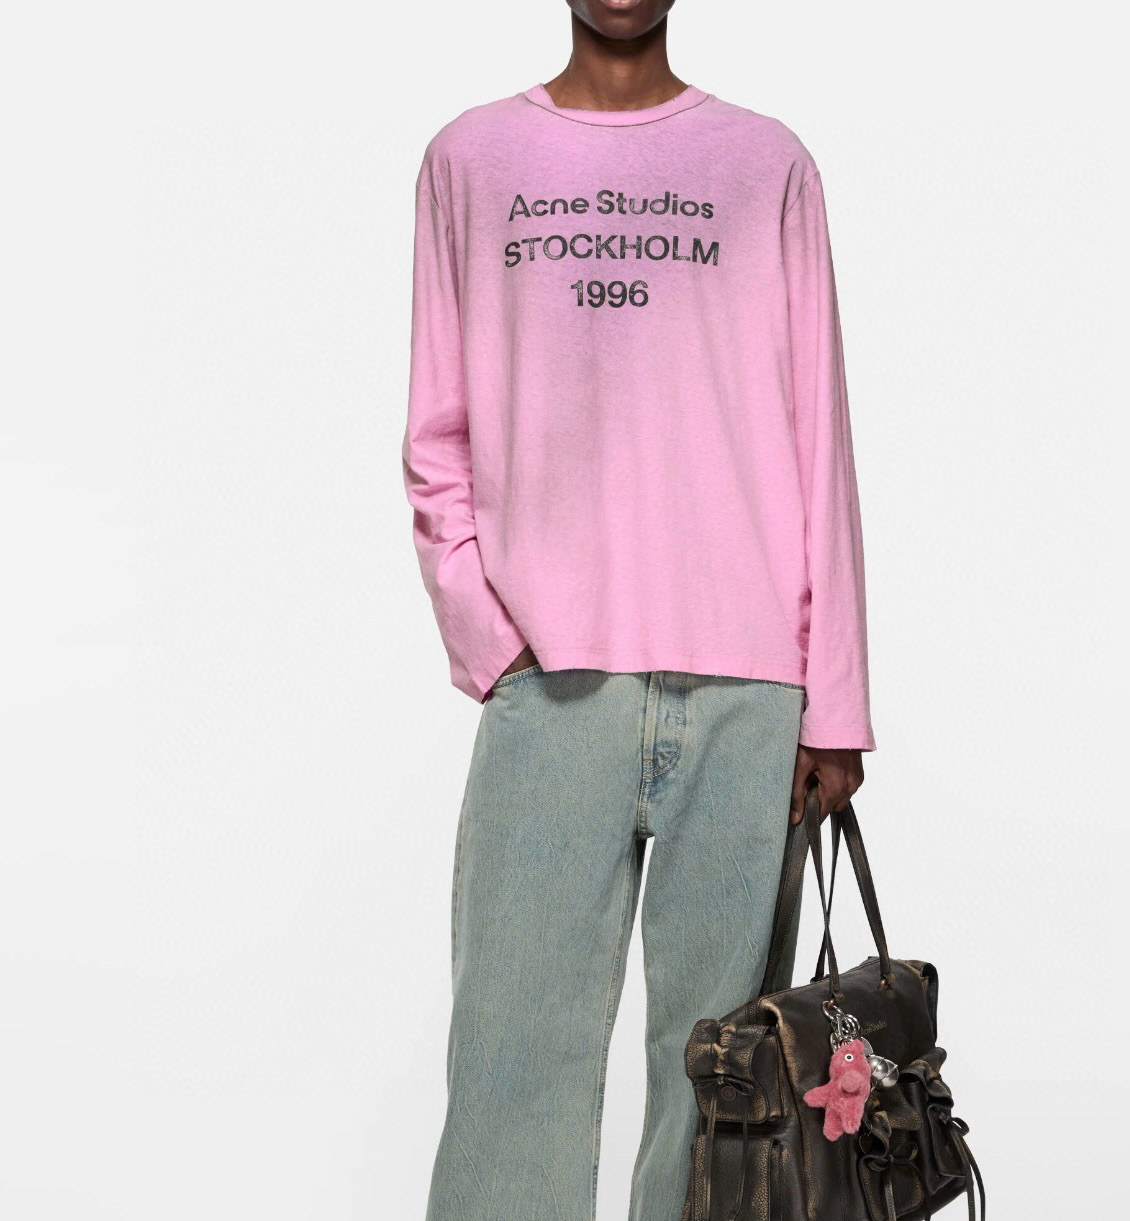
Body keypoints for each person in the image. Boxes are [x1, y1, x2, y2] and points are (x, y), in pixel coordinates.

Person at [402, 1, 874, 1216]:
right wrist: (490, 640)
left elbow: (818, 432)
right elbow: (437, 434)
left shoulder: (767, 165)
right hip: (551, 683)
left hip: (749, 690)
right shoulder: (471, 159)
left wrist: (833, 703)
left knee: (722, 1096)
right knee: (511, 1065)